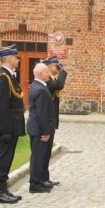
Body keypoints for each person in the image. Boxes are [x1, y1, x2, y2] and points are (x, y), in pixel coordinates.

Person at [0, 44, 25, 204]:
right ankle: (0, 192)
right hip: (8, 126)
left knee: (8, 157)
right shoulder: (3, 77)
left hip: (12, 124)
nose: (18, 60)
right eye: (16, 57)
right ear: (10, 58)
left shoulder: (9, 76)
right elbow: (3, 106)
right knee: (3, 158)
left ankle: (4, 190)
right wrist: (6, 130)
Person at [26, 63, 56, 193]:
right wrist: (46, 132)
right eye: (46, 72)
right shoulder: (40, 89)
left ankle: (40, 180)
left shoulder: (36, 86)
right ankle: (35, 184)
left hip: (36, 128)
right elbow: (42, 113)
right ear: (40, 74)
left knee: (40, 156)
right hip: (39, 130)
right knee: (38, 157)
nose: (49, 74)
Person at [42, 57, 67, 187]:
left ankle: (45, 177)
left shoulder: (51, 79)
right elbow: (59, 86)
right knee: (44, 152)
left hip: (51, 119)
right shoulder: (47, 80)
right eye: (56, 65)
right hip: (47, 120)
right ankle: (42, 178)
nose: (57, 67)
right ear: (50, 66)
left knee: (47, 152)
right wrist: (63, 71)